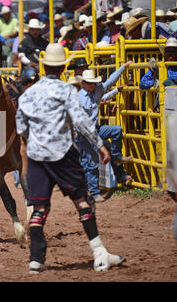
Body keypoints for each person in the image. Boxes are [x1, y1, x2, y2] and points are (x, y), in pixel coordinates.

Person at [15, 43, 125, 274]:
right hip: (63, 153)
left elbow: (20, 127)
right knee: (82, 201)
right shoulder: (66, 91)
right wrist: (99, 144)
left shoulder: (28, 94)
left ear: (44, 66)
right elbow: (81, 121)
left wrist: (35, 140)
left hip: (37, 156)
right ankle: (99, 254)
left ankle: (36, 259)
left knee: (39, 208)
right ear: (64, 67)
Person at [76, 63, 133, 203]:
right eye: (90, 83)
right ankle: (94, 192)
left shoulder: (97, 89)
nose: (93, 86)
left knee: (117, 130)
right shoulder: (80, 98)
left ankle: (117, 157)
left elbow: (110, 81)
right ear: (83, 83)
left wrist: (123, 67)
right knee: (92, 162)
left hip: (95, 129)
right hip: (85, 133)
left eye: (93, 83)